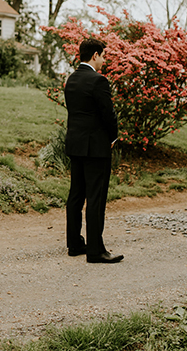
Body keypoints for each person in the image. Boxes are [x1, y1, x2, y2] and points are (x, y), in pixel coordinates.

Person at [64, 38, 123, 264]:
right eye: (104, 55)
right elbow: (108, 114)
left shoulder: (72, 79)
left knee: (76, 195)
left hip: (75, 144)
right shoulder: (98, 80)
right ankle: (96, 250)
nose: (104, 60)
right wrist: (113, 137)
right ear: (95, 55)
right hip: (96, 147)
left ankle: (74, 243)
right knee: (96, 198)